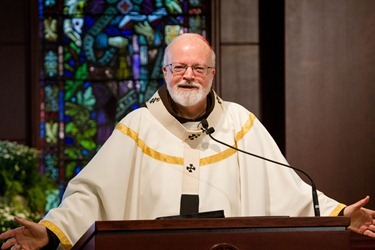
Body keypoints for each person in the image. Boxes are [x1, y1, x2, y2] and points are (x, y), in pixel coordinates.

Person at [1, 33, 375, 250]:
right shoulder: (137, 127)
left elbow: (291, 191)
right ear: (164, 72)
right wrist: (51, 233)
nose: (188, 76)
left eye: (198, 68)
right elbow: (91, 195)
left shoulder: (241, 124)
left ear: (212, 73)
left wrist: (342, 215)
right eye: (178, 67)